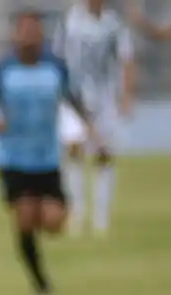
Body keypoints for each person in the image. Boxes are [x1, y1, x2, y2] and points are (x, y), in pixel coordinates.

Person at [0, 10, 97, 295]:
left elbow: (74, 101)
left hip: (47, 157)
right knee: (26, 217)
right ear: (15, 34)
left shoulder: (55, 69)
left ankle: (39, 229)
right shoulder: (1, 71)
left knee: (54, 222)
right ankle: (40, 281)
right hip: (13, 157)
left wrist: (89, 131)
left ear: (42, 34)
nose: (29, 35)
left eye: (34, 30)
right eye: (24, 30)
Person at [52, 0, 135, 236]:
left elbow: (127, 59)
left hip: (105, 98)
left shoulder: (114, 25)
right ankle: (76, 213)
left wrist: (127, 95)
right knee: (74, 148)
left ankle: (101, 217)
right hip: (74, 95)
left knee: (104, 154)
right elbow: (58, 58)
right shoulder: (69, 21)